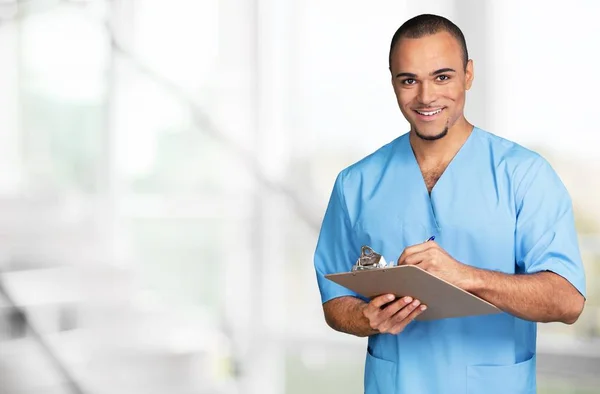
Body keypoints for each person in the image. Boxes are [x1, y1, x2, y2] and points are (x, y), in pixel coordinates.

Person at [313, 13, 586, 394]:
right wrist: (365, 316)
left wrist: (466, 276)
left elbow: (568, 300)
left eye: (442, 77)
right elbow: (335, 301)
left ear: (468, 75)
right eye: (409, 80)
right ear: (392, 81)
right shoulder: (355, 183)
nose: (426, 97)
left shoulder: (524, 175)